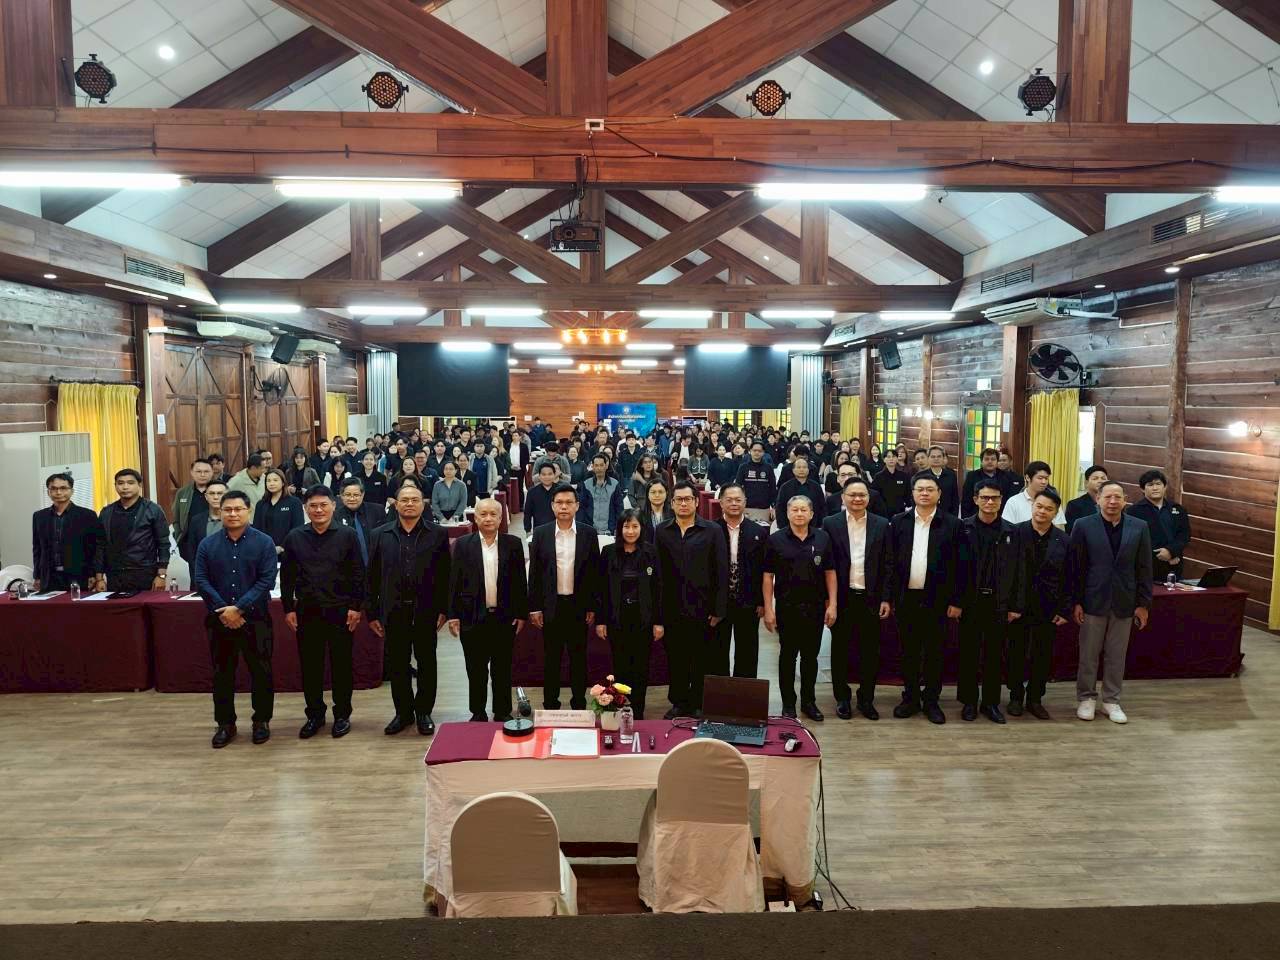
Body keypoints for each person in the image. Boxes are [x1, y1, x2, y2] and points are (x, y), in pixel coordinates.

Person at [193, 490, 278, 749]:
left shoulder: (264, 542)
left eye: (238, 509)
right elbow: (201, 580)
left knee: (261, 672)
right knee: (222, 674)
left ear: (248, 511)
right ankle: (225, 724)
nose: (232, 514)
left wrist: (239, 609)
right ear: (220, 512)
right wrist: (225, 610)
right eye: (227, 509)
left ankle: (261, 721)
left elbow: (266, 580)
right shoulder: (207, 544)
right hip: (220, 621)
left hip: (256, 620)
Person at [280, 486, 367, 739]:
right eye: (313, 506)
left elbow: (358, 573)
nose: (318, 510)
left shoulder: (347, 535)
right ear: (306, 509)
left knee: (342, 665)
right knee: (311, 667)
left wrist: (356, 607)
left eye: (323, 505)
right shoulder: (295, 537)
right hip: (307, 611)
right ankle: (315, 715)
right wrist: (288, 609)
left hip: (341, 611)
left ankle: (342, 715)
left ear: (333, 506)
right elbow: (287, 577)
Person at [367, 483, 451, 735]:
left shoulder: (437, 534)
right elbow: (372, 577)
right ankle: (403, 713)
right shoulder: (379, 534)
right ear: (395, 504)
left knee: (427, 663)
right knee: (398, 664)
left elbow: (445, 574)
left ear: (423, 504)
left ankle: (423, 711)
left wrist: (444, 609)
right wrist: (372, 613)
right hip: (393, 610)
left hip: (426, 609)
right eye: (404, 500)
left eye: (415, 499)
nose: (409, 504)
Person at [1069, 481, 1153, 724]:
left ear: (1125, 499)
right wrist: (1076, 601)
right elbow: (1075, 567)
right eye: (1108, 497)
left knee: (1117, 654)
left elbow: (1145, 567)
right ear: (1098, 499)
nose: (1113, 502)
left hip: (1125, 600)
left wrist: (1143, 604)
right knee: (1089, 653)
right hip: (1092, 599)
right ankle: (1086, 698)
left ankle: (1111, 700)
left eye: (1117, 497)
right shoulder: (1083, 525)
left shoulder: (1139, 526)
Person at [888, 472, 964, 725]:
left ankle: (931, 700)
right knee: (908, 651)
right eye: (919, 489)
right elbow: (890, 563)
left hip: (938, 600)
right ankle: (910, 697)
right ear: (912, 493)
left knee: (935, 652)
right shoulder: (898, 522)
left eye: (930, 489)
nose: (924, 493)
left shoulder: (952, 524)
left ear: (939, 494)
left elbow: (960, 565)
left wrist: (956, 601)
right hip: (906, 598)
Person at [445, 498, 526, 722]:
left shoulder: (513, 544)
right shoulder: (462, 544)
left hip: (504, 617)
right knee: (475, 669)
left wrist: (521, 613)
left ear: (501, 518)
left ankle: (502, 711)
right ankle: (478, 712)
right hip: (471, 616)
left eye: (493, 514)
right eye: (483, 514)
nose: (488, 518)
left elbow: (520, 582)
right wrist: (453, 615)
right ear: (475, 517)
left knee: (502, 668)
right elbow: (453, 581)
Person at [654, 480, 728, 718]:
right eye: (679, 500)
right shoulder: (662, 531)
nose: (683, 504)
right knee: (676, 657)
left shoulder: (712, 531)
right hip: (672, 606)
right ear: (672, 503)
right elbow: (657, 572)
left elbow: (721, 570)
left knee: (701, 658)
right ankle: (678, 702)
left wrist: (719, 608)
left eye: (688, 499)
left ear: (696, 502)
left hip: (703, 606)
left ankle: (698, 702)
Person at [823, 477, 893, 721]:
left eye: (862, 494)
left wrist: (886, 598)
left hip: (871, 598)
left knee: (870, 651)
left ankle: (866, 699)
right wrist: (829, 600)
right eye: (852, 494)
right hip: (842, 597)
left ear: (869, 498)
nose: (857, 499)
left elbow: (888, 564)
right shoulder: (830, 523)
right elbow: (826, 566)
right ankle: (842, 698)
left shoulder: (882, 524)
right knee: (840, 649)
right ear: (843, 497)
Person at [763, 496, 837, 721]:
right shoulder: (775, 540)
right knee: (787, 657)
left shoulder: (823, 538)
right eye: (794, 510)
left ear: (811, 514)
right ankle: (788, 704)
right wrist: (768, 609)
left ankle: (808, 702)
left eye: (804, 510)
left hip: (815, 607)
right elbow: (767, 576)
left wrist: (833, 604)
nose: (799, 514)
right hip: (787, 608)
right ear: (787, 513)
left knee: (810, 658)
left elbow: (830, 573)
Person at [528, 484, 600, 710]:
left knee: (579, 658)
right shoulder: (541, 533)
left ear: (577, 506)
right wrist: (535, 607)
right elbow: (535, 574)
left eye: (569, 502)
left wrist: (593, 606)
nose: (564, 507)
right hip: (552, 606)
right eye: (559, 502)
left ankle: (579, 703)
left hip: (579, 606)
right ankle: (550, 704)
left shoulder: (588, 533)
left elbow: (594, 573)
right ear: (552, 506)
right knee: (552, 658)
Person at [1005, 488, 1071, 720]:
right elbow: (1006, 572)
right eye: (1039, 506)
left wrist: (1064, 610)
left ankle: (1035, 698)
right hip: (1018, 605)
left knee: (1042, 655)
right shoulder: (1014, 532)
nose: (1042, 511)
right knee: (1016, 652)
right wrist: (1009, 605)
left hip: (1048, 607)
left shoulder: (1064, 540)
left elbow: (1070, 577)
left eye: (1049, 509)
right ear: (1032, 506)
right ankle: (1015, 696)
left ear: (1056, 513)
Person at [957, 479, 1015, 724]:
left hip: (999, 603)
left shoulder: (1012, 531)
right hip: (970, 602)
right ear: (975, 500)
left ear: (1001, 501)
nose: (990, 502)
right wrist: (956, 601)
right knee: (968, 653)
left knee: (994, 655)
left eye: (994, 498)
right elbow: (954, 568)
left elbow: (1019, 571)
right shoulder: (963, 528)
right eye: (985, 498)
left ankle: (991, 703)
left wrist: (1014, 605)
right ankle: (969, 702)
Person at [597, 509, 662, 719]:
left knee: (641, 667)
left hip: (643, 618)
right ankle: (622, 708)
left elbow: (658, 589)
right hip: (617, 618)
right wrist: (601, 621)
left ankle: (639, 711)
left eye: (635, 526)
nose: (630, 531)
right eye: (626, 526)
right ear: (620, 528)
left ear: (642, 528)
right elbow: (601, 589)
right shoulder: (608, 552)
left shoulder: (651, 552)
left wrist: (658, 622)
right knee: (621, 666)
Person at [714, 484, 766, 679]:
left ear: (745, 502)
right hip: (719, 603)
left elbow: (763, 570)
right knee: (717, 650)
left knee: (747, 651)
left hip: (749, 602)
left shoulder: (758, 532)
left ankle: (744, 694)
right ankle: (719, 693)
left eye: (738, 500)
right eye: (729, 500)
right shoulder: (711, 530)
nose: (734, 503)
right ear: (721, 503)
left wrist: (761, 602)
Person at [98, 469, 169, 592]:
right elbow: (100, 545)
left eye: (130, 483)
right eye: (120, 483)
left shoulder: (153, 510)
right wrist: (99, 578)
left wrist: (161, 575)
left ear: (139, 485)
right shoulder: (107, 512)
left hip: (144, 572)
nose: (125, 487)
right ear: (115, 486)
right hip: (115, 574)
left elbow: (163, 544)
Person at [32, 472, 103, 592]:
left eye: (63, 488)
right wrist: (37, 576)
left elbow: (93, 548)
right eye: (53, 488)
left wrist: (93, 574)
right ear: (48, 492)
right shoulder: (39, 516)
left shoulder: (87, 515)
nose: (58, 492)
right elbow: (37, 548)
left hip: (79, 575)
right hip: (49, 577)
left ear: (72, 491)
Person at [1127, 469, 1191, 583]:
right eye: (1150, 485)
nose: (1155, 488)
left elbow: (1184, 535)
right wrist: (1163, 555)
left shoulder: (1178, 509)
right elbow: (1133, 540)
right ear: (1142, 489)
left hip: (1175, 565)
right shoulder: (1133, 511)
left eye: (1158, 484)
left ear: (1165, 487)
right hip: (1147, 567)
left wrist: (1171, 552)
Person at [252, 469, 304, 555]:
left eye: (275, 480)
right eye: (268, 481)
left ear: (283, 483)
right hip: (264, 551)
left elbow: (298, 528)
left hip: (288, 551)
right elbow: (256, 529)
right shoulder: (261, 504)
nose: (271, 483)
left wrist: (282, 547)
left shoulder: (294, 502)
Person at [171, 458, 215, 556]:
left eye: (206, 471)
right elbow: (176, 518)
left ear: (212, 472)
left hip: (214, 539)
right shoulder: (182, 493)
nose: (202, 475)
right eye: (198, 471)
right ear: (192, 472)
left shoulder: (219, 491)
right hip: (188, 542)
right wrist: (179, 536)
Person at [1002, 461, 1063, 526]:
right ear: (1027, 478)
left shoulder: (1053, 501)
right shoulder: (1013, 502)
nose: (1044, 482)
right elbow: (1007, 528)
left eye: (1046, 478)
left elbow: (1060, 527)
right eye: (1040, 478)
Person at [182, 480, 227, 564]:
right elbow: (192, 552)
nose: (216, 497)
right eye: (212, 493)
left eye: (220, 493)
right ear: (206, 496)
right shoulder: (196, 521)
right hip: (202, 569)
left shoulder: (234, 520)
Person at [736, 440, 777, 524]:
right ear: (750, 451)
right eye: (754, 450)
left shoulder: (768, 468)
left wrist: (773, 506)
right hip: (747, 507)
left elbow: (773, 487)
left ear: (763, 452)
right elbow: (738, 486)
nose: (757, 453)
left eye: (759, 451)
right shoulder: (743, 467)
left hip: (764, 508)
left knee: (764, 530)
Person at [582, 453, 623, 536]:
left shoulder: (615, 484)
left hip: (609, 530)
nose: (599, 468)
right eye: (596, 465)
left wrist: (618, 527)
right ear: (593, 467)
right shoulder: (586, 484)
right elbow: (582, 507)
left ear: (606, 466)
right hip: (590, 530)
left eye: (601, 465)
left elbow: (619, 508)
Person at [960, 448, 1003, 519]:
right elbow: (966, 501)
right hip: (976, 517)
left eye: (993, 459)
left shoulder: (1005, 477)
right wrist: (966, 521)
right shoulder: (972, 476)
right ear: (981, 461)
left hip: (999, 517)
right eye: (986, 459)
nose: (990, 462)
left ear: (997, 461)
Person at [1066, 465, 1107, 533]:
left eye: (1103, 478)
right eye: (1095, 478)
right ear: (1086, 483)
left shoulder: (1112, 503)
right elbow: (1071, 531)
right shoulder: (1075, 505)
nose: (1100, 481)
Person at [872, 447, 910, 517]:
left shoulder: (903, 476)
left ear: (897, 459)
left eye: (893, 456)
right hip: (883, 512)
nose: (891, 459)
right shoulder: (878, 477)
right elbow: (875, 495)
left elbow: (907, 494)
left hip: (900, 512)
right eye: (888, 457)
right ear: (884, 460)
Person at [523, 461, 560, 533]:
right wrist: (528, 530)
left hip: (558, 530)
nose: (547, 477)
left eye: (550, 474)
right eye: (543, 474)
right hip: (539, 530)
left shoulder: (560, 491)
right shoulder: (532, 492)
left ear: (554, 475)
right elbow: (527, 513)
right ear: (539, 476)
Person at [925, 446, 960, 516]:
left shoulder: (951, 475)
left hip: (947, 514)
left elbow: (955, 498)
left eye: (939, 456)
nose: (936, 459)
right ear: (928, 458)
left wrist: (954, 517)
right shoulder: (922, 476)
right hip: (927, 514)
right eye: (933, 457)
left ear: (943, 458)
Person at [639, 477, 673, 544]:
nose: (657, 495)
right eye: (653, 492)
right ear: (648, 495)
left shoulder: (674, 515)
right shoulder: (640, 515)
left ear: (666, 493)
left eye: (660, 492)